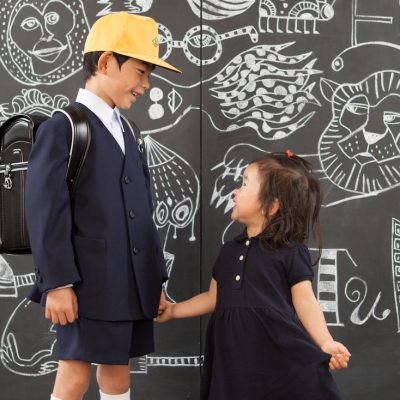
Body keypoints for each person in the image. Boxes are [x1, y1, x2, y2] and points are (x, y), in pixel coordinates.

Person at [25, 12, 180, 400]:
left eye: (149, 76)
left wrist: (154, 280)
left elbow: (143, 213)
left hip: (128, 281)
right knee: (74, 376)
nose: (145, 85)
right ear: (107, 61)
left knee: (118, 375)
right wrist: (57, 283)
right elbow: (46, 212)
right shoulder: (64, 127)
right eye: (140, 72)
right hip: (83, 282)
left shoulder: (129, 131)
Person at [156, 151, 351, 400]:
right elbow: (212, 298)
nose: (234, 192)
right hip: (232, 360)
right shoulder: (229, 251)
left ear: (271, 205)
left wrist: (325, 342)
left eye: (244, 184)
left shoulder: (290, 252)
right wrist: (173, 310)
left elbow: (306, 301)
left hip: (275, 357)